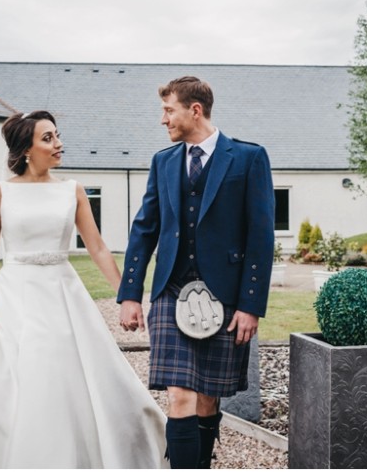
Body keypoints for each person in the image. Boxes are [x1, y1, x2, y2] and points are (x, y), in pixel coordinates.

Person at [0, 111, 167, 469]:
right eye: (47, 138)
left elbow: (98, 248)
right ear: (26, 149)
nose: (58, 144)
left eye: (57, 136)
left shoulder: (71, 190)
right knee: (15, 376)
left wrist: (127, 295)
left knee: (73, 373)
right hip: (15, 295)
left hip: (63, 292)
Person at [117, 77, 275, 468]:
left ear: (195, 110)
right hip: (172, 290)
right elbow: (144, 228)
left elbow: (260, 237)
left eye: (168, 110)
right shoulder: (163, 161)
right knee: (180, 397)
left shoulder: (247, 158)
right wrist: (131, 294)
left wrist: (250, 305)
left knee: (207, 399)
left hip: (223, 297)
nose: (163, 119)